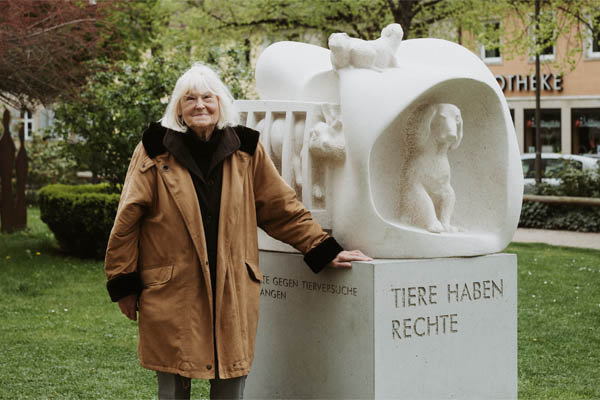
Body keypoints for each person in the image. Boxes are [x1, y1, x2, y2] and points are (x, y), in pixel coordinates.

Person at [104, 62, 371, 400]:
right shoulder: (154, 151)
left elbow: (280, 208)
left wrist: (323, 247)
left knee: (231, 378)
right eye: (190, 99)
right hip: (173, 288)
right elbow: (127, 220)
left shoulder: (245, 150)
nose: (200, 105)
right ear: (179, 109)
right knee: (172, 382)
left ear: (220, 102)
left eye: (207, 97)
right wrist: (123, 281)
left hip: (232, 284)